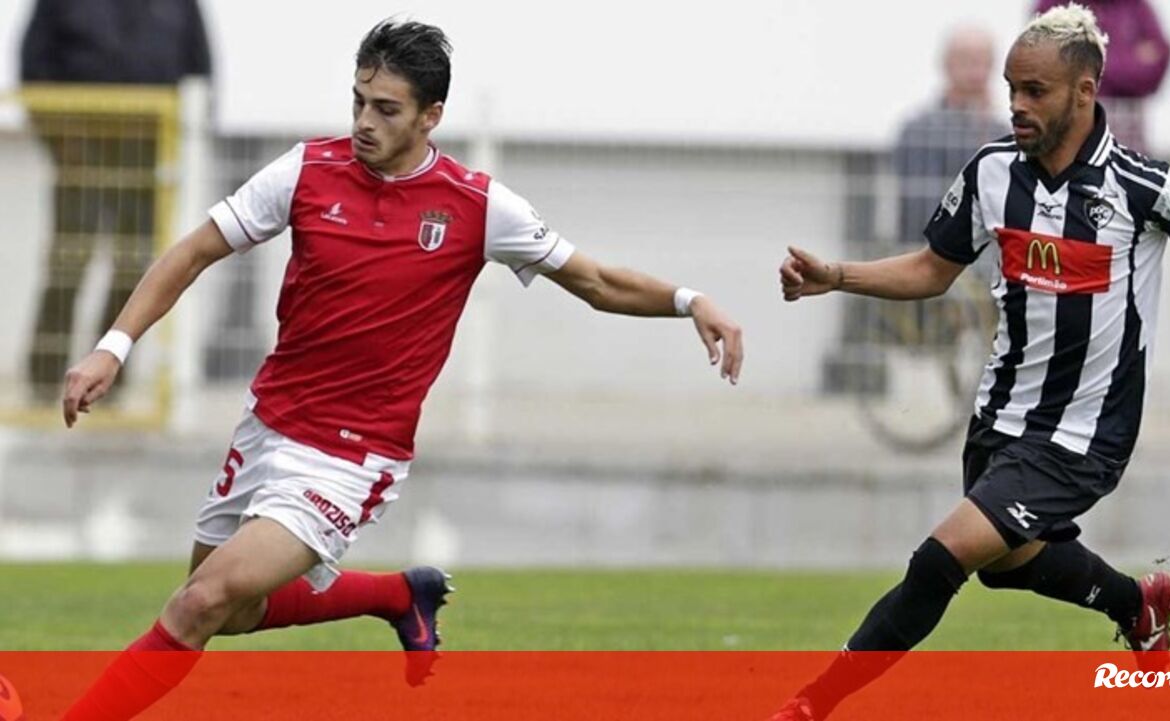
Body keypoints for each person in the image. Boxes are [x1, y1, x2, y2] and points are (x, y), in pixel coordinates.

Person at [56, 19, 744, 721]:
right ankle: (396, 594)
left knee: (198, 603)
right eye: (358, 101)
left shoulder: (478, 206)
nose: (364, 122)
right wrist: (114, 346)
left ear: (429, 116)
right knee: (229, 610)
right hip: (267, 424)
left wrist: (689, 300)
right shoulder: (305, 171)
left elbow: (597, 281)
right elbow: (193, 251)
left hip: (350, 458)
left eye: (386, 109)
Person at [770, 4, 1170, 719]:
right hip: (1000, 418)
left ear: (1084, 93)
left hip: (1083, 435)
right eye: (1012, 89)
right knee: (1006, 564)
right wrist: (836, 276)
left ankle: (812, 703)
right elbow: (933, 268)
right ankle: (1135, 604)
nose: (1018, 105)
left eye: (1035, 91)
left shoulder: (1143, 186)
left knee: (943, 556)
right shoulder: (992, 171)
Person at [20, 0, 212, 401]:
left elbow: (200, 71)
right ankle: (44, 380)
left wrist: (186, 147)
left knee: (134, 265)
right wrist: (59, 139)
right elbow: (33, 65)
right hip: (79, 145)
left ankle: (106, 380)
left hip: (150, 150)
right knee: (69, 259)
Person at [895, 26, 1007, 249]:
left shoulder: (1000, 131)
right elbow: (920, 204)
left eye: (984, 62)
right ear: (946, 65)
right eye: (967, 61)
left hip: (986, 251)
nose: (976, 72)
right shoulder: (919, 131)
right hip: (928, 248)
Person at [1034, 0, 1170, 153]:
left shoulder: (1136, 6)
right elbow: (1045, 66)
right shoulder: (1054, 6)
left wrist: (1088, 62)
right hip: (1070, 133)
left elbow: (1159, 61)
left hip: (1129, 135)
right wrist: (1130, 60)